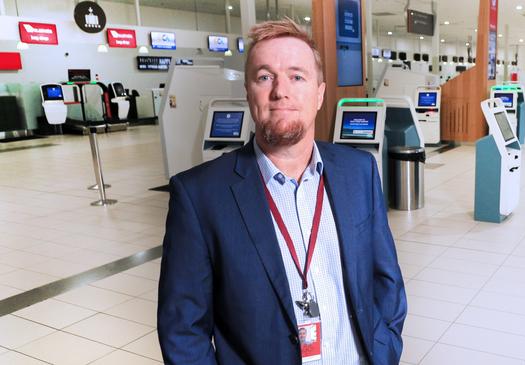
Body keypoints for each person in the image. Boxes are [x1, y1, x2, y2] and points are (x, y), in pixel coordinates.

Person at [157, 18, 406, 365]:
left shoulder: (359, 171)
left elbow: (387, 279)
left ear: (319, 93)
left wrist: (385, 347)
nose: (280, 91)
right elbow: (183, 330)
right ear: (248, 92)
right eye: (264, 76)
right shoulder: (199, 196)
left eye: (297, 76)